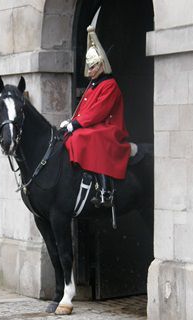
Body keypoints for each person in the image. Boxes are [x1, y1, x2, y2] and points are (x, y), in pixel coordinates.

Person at [61, 25, 130, 208]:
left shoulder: (110, 85)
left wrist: (76, 124)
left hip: (109, 126)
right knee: (70, 137)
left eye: (92, 67)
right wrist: (72, 121)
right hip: (94, 123)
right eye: (89, 67)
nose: (89, 71)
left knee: (85, 137)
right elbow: (84, 109)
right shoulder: (94, 84)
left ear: (100, 65)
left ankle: (105, 191)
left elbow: (98, 111)